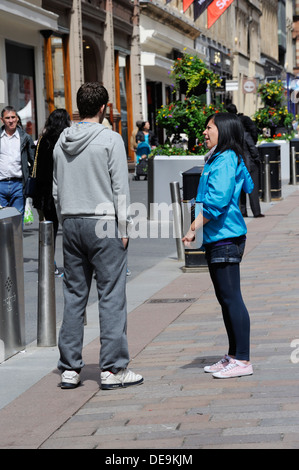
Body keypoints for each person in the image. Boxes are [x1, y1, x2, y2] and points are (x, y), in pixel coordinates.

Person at [53, 82, 143, 390]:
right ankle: (112, 369)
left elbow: (55, 189)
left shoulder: (61, 141)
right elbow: (120, 186)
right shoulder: (110, 139)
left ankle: (69, 368)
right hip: (103, 223)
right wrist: (125, 226)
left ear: (79, 108)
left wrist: (66, 215)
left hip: (72, 222)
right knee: (111, 295)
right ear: (103, 108)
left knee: (74, 296)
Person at [183, 112, 254, 379]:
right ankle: (234, 356)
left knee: (231, 298)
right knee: (226, 299)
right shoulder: (222, 157)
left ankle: (243, 359)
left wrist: (192, 228)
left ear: (223, 130)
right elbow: (247, 183)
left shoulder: (224, 159)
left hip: (225, 236)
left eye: (209, 127)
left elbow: (217, 202)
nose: (204, 131)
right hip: (220, 236)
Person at [32, 109, 71, 276]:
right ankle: (72, 265)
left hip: (44, 192)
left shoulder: (43, 140)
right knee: (69, 229)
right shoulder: (66, 140)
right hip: (64, 190)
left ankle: (50, 263)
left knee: (50, 229)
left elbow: (38, 166)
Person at [0, 105, 35, 217]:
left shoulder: (25, 137)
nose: (11, 121)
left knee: (17, 221)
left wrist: (28, 176)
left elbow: (33, 160)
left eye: (13, 117)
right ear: (2, 120)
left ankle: (17, 236)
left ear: (17, 118)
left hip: (18, 185)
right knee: (2, 221)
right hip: (1, 185)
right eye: (7, 118)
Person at [239, 115, 264, 218]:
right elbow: (253, 150)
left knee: (241, 190)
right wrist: (257, 159)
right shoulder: (246, 135)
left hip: (239, 165)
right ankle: (256, 211)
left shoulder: (235, 136)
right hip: (250, 164)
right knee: (253, 188)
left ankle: (243, 211)